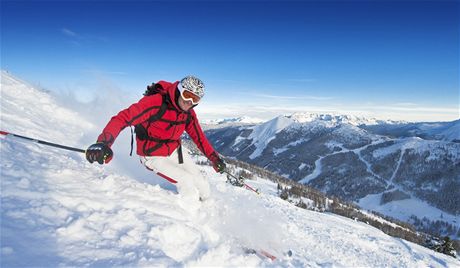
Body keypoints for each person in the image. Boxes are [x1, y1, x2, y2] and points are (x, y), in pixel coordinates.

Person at [85, 76, 226, 203]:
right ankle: (191, 218)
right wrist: (103, 142)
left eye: (195, 99)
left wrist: (214, 158)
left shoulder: (188, 113)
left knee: (201, 182)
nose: (189, 102)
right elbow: (122, 118)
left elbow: (199, 137)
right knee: (187, 181)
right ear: (179, 90)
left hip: (175, 151)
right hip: (152, 155)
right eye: (187, 95)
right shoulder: (155, 103)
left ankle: (208, 207)